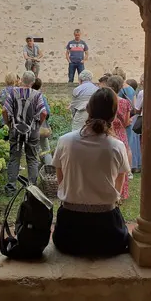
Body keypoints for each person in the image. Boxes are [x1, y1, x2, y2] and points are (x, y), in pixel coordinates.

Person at [52, 88, 131, 257]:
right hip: (108, 235)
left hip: (69, 234)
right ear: (115, 114)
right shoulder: (116, 146)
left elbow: (61, 178)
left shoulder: (65, 141)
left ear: (88, 109)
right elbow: (119, 182)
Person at [3, 71, 48, 196]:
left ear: (21, 79)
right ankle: (32, 189)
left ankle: (11, 188)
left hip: (15, 129)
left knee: (14, 158)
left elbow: (4, 110)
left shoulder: (13, 92)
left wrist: (9, 124)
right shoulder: (37, 95)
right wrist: (38, 124)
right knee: (32, 158)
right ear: (33, 82)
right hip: (32, 130)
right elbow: (43, 113)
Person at [106, 76, 133, 200]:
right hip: (121, 134)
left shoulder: (106, 101)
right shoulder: (125, 102)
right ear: (121, 87)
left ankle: (109, 190)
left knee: (109, 163)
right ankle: (122, 193)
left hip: (109, 132)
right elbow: (127, 123)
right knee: (123, 164)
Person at [32, 77, 53, 167]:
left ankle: (34, 169)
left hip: (30, 125)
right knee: (46, 148)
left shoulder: (27, 96)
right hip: (41, 125)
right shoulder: (41, 96)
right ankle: (49, 169)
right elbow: (47, 112)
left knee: (33, 149)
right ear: (40, 86)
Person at [126, 78, 142, 173]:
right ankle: (136, 164)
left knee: (132, 143)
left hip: (133, 118)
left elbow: (136, 108)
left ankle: (133, 165)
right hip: (135, 118)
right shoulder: (135, 94)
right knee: (135, 143)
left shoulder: (133, 95)